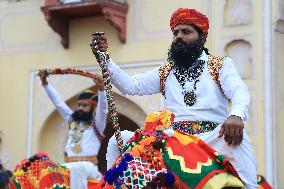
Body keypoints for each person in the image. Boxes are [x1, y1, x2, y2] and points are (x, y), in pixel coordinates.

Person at [91, 8, 257, 189]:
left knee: (239, 142)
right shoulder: (165, 71)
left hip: (213, 136)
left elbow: (239, 90)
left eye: (186, 32)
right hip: (174, 139)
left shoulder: (220, 65)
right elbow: (131, 85)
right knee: (118, 139)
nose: (179, 36)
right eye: (176, 33)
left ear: (202, 37)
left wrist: (236, 115)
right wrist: (104, 59)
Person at [38, 70, 108, 189]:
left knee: (78, 168)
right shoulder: (72, 120)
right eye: (79, 105)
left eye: (84, 105)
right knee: (48, 170)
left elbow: (103, 109)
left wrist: (101, 89)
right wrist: (45, 83)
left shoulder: (97, 124)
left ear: (92, 107)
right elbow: (59, 103)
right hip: (68, 165)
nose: (80, 108)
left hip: (88, 167)